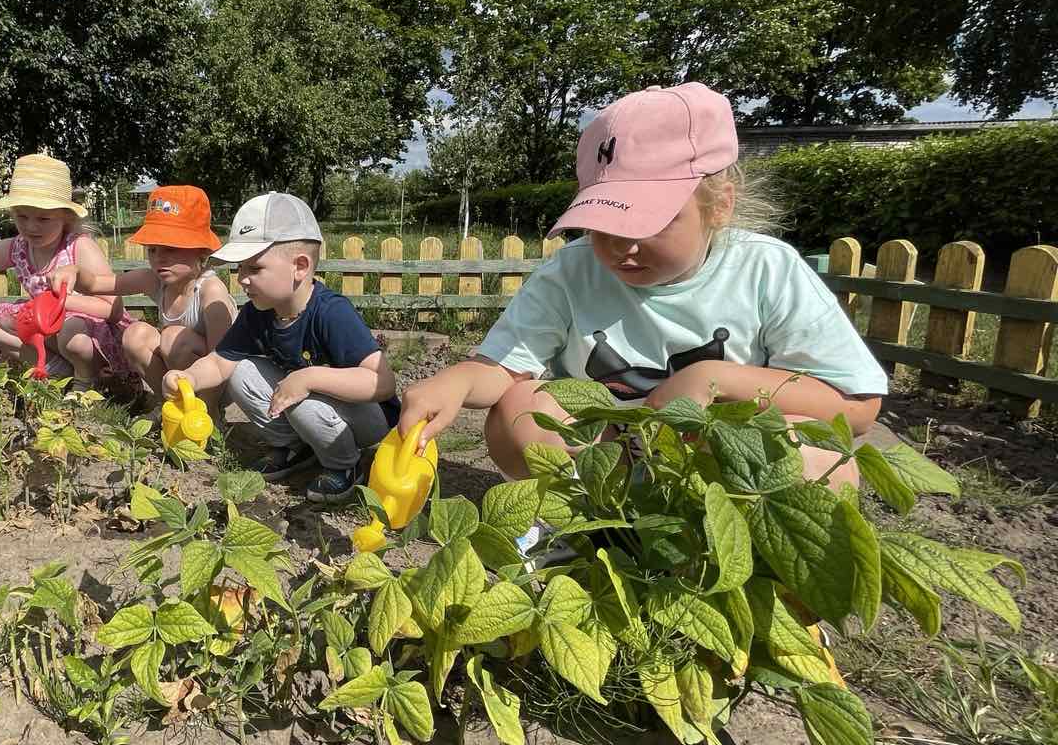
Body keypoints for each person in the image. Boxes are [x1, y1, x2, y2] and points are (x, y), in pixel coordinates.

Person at [399, 82, 887, 486]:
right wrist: (457, 380)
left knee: (820, 454)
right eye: (600, 226)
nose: (619, 247)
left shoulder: (766, 269)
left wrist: (714, 379)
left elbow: (855, 404)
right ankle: (588, 528)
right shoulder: (571, 271)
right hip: (605, 453)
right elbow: (506, 369)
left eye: (648, 222)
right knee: (518, 409)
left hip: (715, 462)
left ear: (719, 205)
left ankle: (743, 559)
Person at [164, 192, 398, 502]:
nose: (242, 280)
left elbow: (381, 383)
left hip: (366, 419)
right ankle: (293, 447)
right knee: (240, 372)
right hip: (309, 407)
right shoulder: (257, 313)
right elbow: (220, 361)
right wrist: (188, 378)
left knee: (303, 399)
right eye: (240, 269)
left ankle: (345, 465)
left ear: (300, 266)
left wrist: (310, 378)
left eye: (254, 269)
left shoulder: (331, 312)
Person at [0, 154, 133, 387]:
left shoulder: (79, 247)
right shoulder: (19, 247)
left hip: (92, 336)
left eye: (43, 218)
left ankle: (86, 381)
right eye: (22, 216)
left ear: (65, 217)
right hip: (45, 327)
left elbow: (113, 309)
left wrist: (61, 302)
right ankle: (55, 368)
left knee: (73, 330)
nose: (31, 226)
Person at [51, 185, 235, 397]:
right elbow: (95, 284)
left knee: (174, 337)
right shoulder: (154, 280)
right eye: (152, 249)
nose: (159, 258)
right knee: (135, 334)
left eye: (171, 248)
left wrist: (209, 406)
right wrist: (74, 271)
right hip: (179, 377)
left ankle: (205, 414)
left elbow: (221, 358)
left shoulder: (210, 292)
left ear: (201, 250)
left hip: (220, 378)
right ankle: (167, 404)